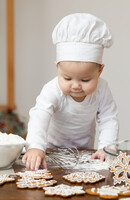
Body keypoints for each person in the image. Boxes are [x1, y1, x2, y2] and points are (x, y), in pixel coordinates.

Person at [22, 13, 119, 171]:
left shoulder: (102, 89)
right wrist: (36, 146)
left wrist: (107, 148)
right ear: (57, 68)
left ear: (100, 71)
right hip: (51, 151)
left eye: (85, 80)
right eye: (67, 78)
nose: (76, 86)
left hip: (84, 152)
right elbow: (40, 115)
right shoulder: (52, 89)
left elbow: (109, 119)